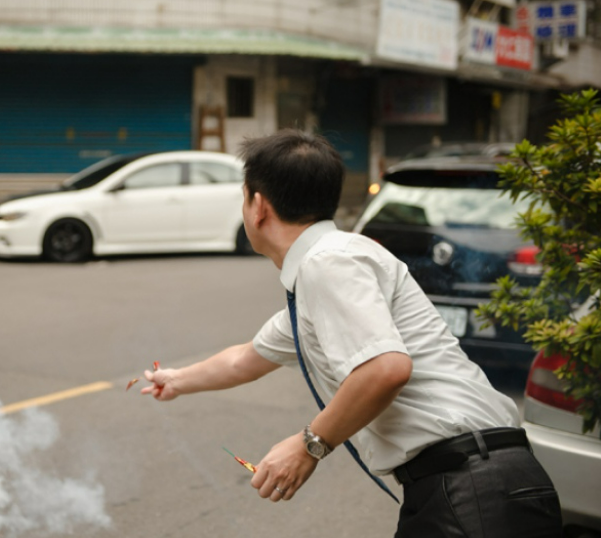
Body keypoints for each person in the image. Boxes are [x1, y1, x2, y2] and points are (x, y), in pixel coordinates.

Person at [141, 130, 562, 537]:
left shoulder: (329, 263)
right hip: (473, 483)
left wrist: (309, 445)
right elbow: (246, 359)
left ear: (258, 206)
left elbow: (385, 369)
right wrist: (175, 380)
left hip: (471, 485)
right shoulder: (327, 269)